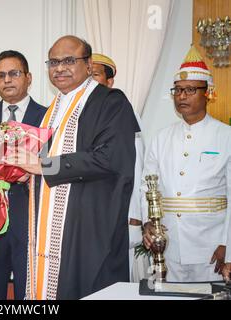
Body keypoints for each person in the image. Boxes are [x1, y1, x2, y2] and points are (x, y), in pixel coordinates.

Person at [8, 36, 140, 299]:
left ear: (89, 64)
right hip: (51, 226)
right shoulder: (53, 109)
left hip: (90, 226)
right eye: (54, 62)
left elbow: (110, 159)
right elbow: (43, 166)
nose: (60, 68)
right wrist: (25, 173)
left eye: (69, 60)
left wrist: (44, 166)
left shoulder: (110, 102)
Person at [142, 45, 231, 282]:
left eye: (190, 90)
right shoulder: (161, 137)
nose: (181, 96)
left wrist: (228, 246)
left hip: (211, 248)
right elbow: (146, 186)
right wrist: (148, 224)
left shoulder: (226, 136)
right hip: (168, 246)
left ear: (208, 92)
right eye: (178, 90)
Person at [0, 50, 46, 300]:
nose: (7, 80)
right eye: (0, 75)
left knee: (29, 289)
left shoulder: (47, 116)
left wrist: (33, 172)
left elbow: (55, 166)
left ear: (28, 77)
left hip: (31, 218)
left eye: (14, 73)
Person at [92, 53, 148, 282]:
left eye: (94, 75)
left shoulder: (121, 111)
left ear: (109, 82)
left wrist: (134, 215)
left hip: (122, 215)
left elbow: (136, 167)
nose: (89, 81)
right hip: (95, 216)